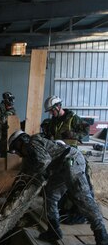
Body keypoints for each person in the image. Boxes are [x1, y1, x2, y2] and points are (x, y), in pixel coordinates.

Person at [8, 130, 108, 245]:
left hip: (71, 161)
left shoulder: (31, 144)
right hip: (62, 166)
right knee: (50, 195)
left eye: (16, 150)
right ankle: (54, 230)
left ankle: (103, 239)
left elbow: (44, 161)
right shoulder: (31, 151)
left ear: (20, 142)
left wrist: (34, 177)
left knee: (82, 199)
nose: (19, 155)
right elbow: (27, 171)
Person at [42, 95, 93, 224]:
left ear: (58, 107)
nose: (51, 113)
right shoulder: (53, 121)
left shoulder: (72, 119)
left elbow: (86, 129)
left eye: (52, 110)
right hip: (59, 155)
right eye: (50, 111)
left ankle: (84, 213)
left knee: (79, 183)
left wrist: (74, 135)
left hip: (73, 155)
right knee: (61, 184)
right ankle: (63, 209)